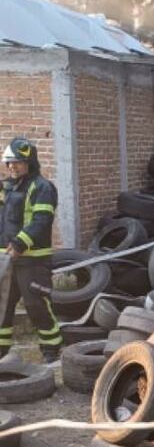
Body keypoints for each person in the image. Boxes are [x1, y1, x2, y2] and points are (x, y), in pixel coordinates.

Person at [0, 137, 61, 364]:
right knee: (2, 307)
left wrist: (19, 243)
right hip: (5, 260)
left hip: (33, 260)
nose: (12, 167)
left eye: (17, 162)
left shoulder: (43, 187)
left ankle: (51, 348)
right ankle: (1, 353)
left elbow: (41, 220)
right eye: (9, 162)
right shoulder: (5, 187)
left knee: (36, 305)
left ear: (30, 162)